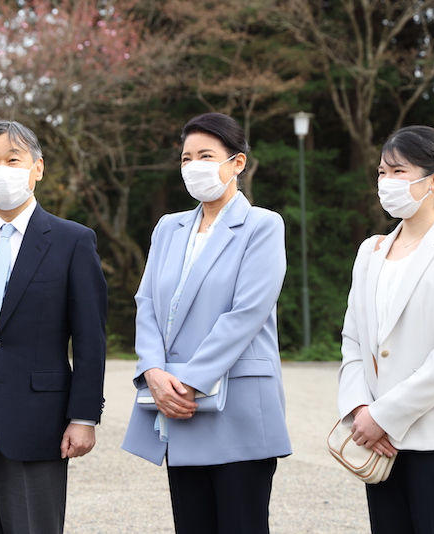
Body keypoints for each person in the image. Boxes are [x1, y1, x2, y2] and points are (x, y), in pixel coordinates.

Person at [121, 112, 291, 534]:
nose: (193, 165)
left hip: (234, 406)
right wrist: (153, 372)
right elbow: (147, 303)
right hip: (176, 405)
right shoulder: (168, 228)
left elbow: (247, 313)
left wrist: (187, 382)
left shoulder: (262, 225)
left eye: (205, 155)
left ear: (237, 163)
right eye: (185, 158)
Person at [338, 125, 434, 533]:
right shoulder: (370, 251)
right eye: (381, 173)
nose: (386, 183)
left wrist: (385, 416)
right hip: (382, 442)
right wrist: (359, 410)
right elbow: (354, 339)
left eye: (398, 172)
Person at [0, 120, 107, 534]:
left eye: (13, 159)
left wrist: (84, 416)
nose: (1, 170)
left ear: (37, 167)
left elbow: (91, 337)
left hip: (39, 418)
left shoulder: (72, 241)